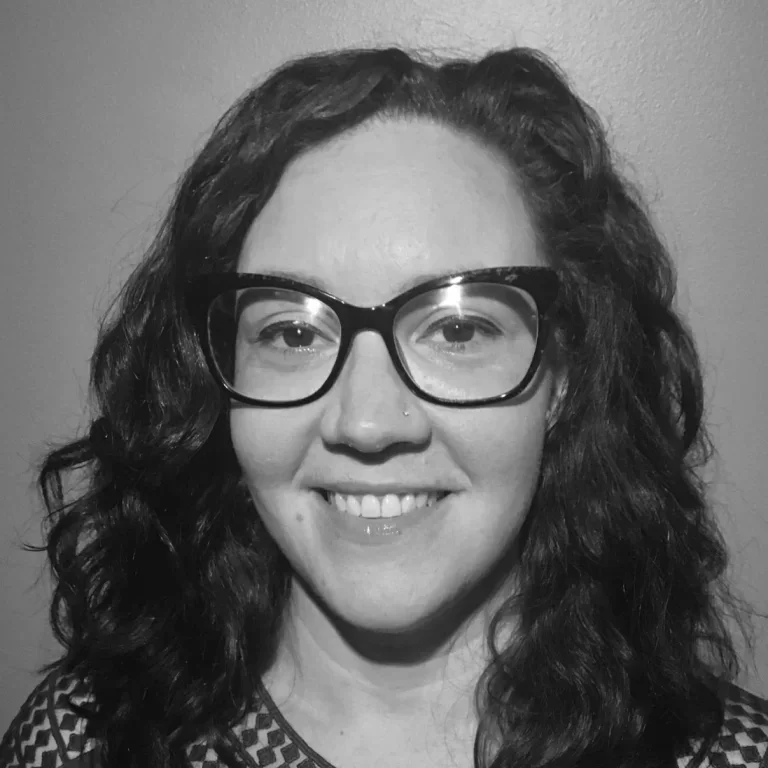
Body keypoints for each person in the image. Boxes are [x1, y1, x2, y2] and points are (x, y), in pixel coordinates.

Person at [1, 44, 767, 768]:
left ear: (563, 374)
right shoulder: (81, 743)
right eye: (292, 331)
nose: (366, 423)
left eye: (459, 328)